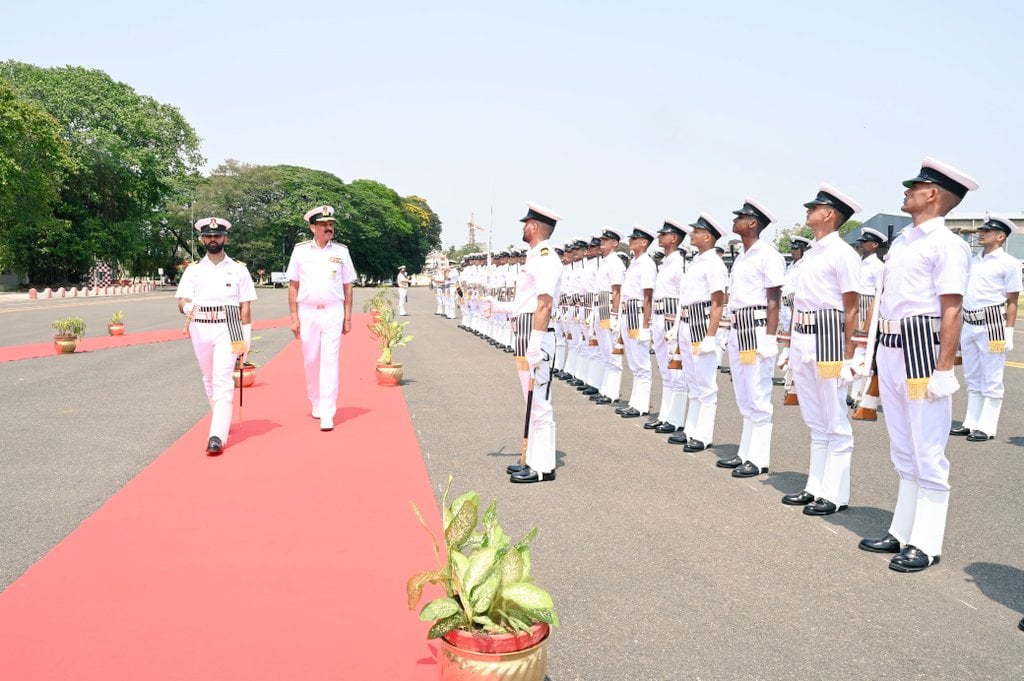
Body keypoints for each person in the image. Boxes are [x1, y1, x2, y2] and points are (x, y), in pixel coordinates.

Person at [858, 157, 977, 573]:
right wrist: (867, 354)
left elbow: (951, 310)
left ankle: (925, 543)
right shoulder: (906, 241)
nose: (906, 190)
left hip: (919, 350)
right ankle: (902, 530)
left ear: (933, 194)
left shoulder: (947, 245)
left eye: (915, 186)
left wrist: (944, 369)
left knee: (927, 449)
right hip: (890, 347)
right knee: (903, 447)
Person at [779, 184, 862, 516]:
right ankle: (815, 486)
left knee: (834, 418)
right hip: (803, 336)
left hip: (828, 338)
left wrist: (846, 356)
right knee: (815, 419)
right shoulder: (813, 253)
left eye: (814, 208)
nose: (808, 212)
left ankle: (836, 493)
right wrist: (789, 344)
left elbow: (852, 308)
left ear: (829, 214)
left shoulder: (843, 254)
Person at [485, 202, 563, 483]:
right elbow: (525, 304)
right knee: (530, 401)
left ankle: (542, 468)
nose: (522, 228)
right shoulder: (534, 257)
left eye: (525, 223)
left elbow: (544, 304)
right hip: (525, 330)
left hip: (535, 333)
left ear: (534, 226)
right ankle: (531, 458)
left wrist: (537, 343)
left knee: (539, 401)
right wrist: (498, 306)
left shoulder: (545, 257)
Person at [175, 217, 256, 454]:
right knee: (209, 378)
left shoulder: (238, 269)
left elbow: (245, 305)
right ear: (202, 240)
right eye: (208, 236)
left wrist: (246, 335)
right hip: (200, 324)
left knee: (222, 379)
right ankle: (221, 419)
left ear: (225, 239)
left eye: (217, 236)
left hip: (229, 323)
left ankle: (216, 436)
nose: (213, 239)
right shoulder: (193, 270)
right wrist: (187, 308)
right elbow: (182, 300)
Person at [719, 197, 785, 478]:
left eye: (740, 217)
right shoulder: (742, 256)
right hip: (739, 327)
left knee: (758, 395)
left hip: (756, 328)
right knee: (744, 394)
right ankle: (745, 452)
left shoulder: (768, 255)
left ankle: (758, 459)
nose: (735, 221)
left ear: (753, 223)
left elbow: (774, 300)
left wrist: (770, 337)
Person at [286, 205, 358, 432]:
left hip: (333, 311)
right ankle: (315, 401)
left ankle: (328, 410)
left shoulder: (341, 252)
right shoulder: (300, 252)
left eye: (331, 224)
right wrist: (293, 317)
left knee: (330, 359)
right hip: (307, 311)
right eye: (324, 225)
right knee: (311, 359)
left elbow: (348, 286)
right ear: (312, 227)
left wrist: (348, 317)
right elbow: (293, 285)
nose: (329, 228)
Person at [950, 215, 1020, 441]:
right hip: (969, 322)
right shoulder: (973, 260)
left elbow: (1012, 301)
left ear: (1000, 236)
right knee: (972, 376)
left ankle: (987, 426)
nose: (981, 234)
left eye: (987, 232)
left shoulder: (1008, 263)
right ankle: (971, 422)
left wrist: (1008, 332)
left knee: (992, 376)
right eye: (981, 231)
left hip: (993, 323)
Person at [668, 213, 729, 452]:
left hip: (701, 322)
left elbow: (717, 303)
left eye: (696, 231)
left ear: (708, 236)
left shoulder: (714, 264)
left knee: (705, 382)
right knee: (691, 379)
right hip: (686, 321)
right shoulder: (697, 261)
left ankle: (703, 435)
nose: (691, 234)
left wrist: (710, 336)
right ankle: (690, 429)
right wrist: (676, 327)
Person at [646, 220, 688, 434]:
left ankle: (677, 419)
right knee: (665, 369)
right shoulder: (665, 262)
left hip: (673, 316)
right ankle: (665, 415)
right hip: (661, 315)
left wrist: (677, 326)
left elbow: (683, 296)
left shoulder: (681, 262)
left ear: (674, 238)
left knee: (676, 370)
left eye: (664, 234)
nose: (660, 237)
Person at [616, 225, 657, 418]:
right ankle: (635, 402)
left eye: (635, 239)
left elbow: (648, 296)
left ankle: (641, 405)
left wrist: (646, 326)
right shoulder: (634, 262)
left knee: (641, 363)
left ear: (644, 242)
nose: (631, 241)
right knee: (633, 362)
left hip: (638, 314)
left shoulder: (647, 264)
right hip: (628, 313)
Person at [848, 227, 888, 406]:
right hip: (856, 305)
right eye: (861, 242)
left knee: (865, 351)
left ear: (874, 245)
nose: (861, 245)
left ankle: (862, 393)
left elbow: (878, 294)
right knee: (854, 349)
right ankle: (853, 391)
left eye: (865, 242)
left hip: (868, 306)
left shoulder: (878, 266)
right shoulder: (858, 262)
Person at [593, 228, 626, 405]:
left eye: (606, 240)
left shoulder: (615, 263)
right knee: (604, 349)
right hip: (600, 303)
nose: (602, 242)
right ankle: (605, 389)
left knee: (611, 350)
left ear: (615, 243)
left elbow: (617, 291)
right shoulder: (604, 261)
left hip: (608, 305)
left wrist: (614, 314)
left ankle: (611, 393)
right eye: (602, 239)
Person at [777, 236, 812, 406]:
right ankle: (789, 378)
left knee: (795, 344)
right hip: (786, 306)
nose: (792, 251)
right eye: (792, 248)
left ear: (803, 249)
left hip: (797, 307)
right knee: (787, 343)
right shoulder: (791, 265)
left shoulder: (806, 265)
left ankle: (794, 381)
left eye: (796, 249)